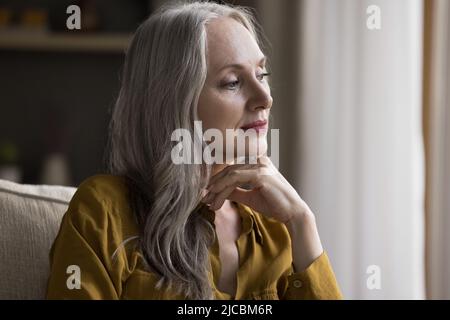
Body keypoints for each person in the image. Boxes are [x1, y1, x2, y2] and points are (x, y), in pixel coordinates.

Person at [46, 0, 343, 300]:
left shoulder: (276, 227)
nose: (264, 97)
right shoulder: (103, 213)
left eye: (261, 75)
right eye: (232, 82)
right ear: (173, 102)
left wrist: (303, 223)